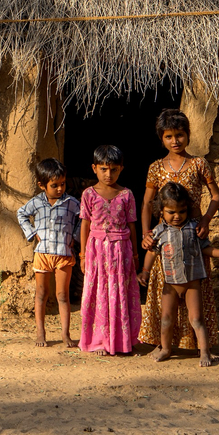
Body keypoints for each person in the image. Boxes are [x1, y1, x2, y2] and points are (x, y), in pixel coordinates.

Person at [139, 108, 219, 351]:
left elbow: (216, 196)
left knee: (195, 291)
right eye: (168, 136)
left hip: (193, 237)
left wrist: (205, 220)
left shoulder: (199, 164)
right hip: (164, 237)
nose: (175, 141)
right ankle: (164, 342)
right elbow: (146, 202)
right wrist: (146, 233)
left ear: (188, 135)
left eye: (180, 135)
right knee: (163, 290)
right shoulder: (156, 167)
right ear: (161, 138)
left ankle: (194, 342)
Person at [141, 183, 219, 365]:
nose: (177, 216)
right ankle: (166, 348)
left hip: (193, 283)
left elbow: (207, 250)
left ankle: (204, 352)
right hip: (170, 284)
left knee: (197, 319)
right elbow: (152, 253)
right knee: (166, 318)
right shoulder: (159, 232)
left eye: (182, 211)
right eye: (171, 212)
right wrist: (145, 272)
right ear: (161, 211)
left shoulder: (195, 228)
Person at [78, 144, 141, 355]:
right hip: (96, 251)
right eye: (104, 169)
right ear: (94, 168)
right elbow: (85, 224)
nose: (108, 174)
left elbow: (132, 225)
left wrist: (135, 254)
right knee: (98, 292)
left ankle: (123, 341)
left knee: (119, 291)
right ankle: (98, 340)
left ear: (121, 168)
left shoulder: (126, 195)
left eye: (113, 169)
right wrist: (82, 255)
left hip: (121, 250)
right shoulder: (88, 194)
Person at [17, 157, 80, 348]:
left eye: (62, 184)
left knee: (63, 295)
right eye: (55, 185)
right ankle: (40, 333)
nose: (60, 189)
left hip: (64, 254)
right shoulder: (36, 203)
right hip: (42, 254)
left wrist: (74, 237)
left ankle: (65, 334)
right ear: (42, 185)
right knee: (42, 294)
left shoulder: (71, 203)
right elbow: (21, 214)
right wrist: (32, 232)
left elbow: (84, 219)